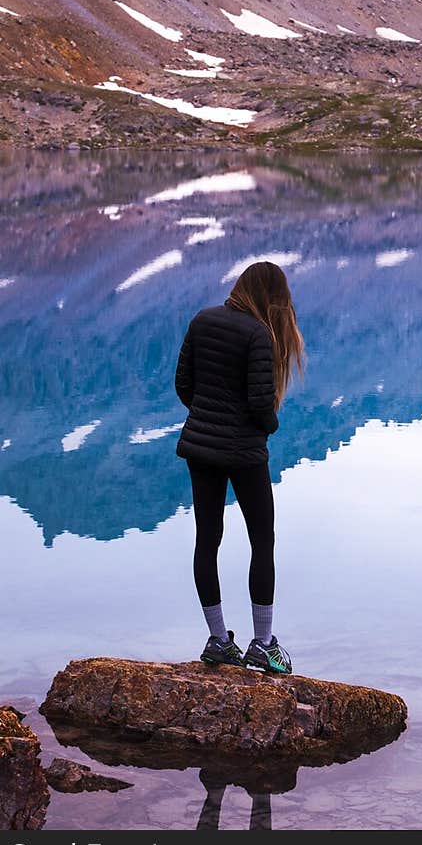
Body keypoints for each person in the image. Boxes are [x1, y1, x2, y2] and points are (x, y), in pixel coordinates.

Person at [174, 260, 305, 674]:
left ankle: (217, 640)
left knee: (207, 540)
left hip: (200, 448)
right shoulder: (258, 334)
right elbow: (259, 402)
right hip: (245, 452)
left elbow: (183, 385)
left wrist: (208, 417)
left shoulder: (202, 320)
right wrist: (270, 425)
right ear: (273, 298)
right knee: (261, 540)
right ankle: (263, 645)